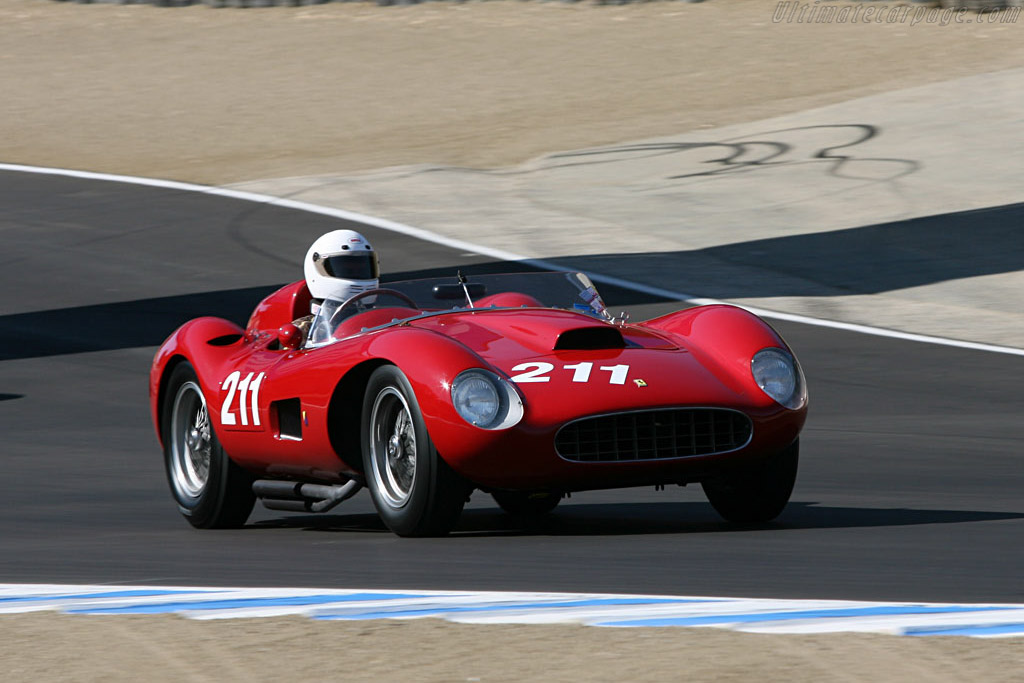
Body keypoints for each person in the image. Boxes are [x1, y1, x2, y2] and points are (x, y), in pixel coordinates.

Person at [298, 230, 380, 346]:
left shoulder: (381, 317)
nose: (357, 274)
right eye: (348, 270)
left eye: (362, 269)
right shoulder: (304, 331)